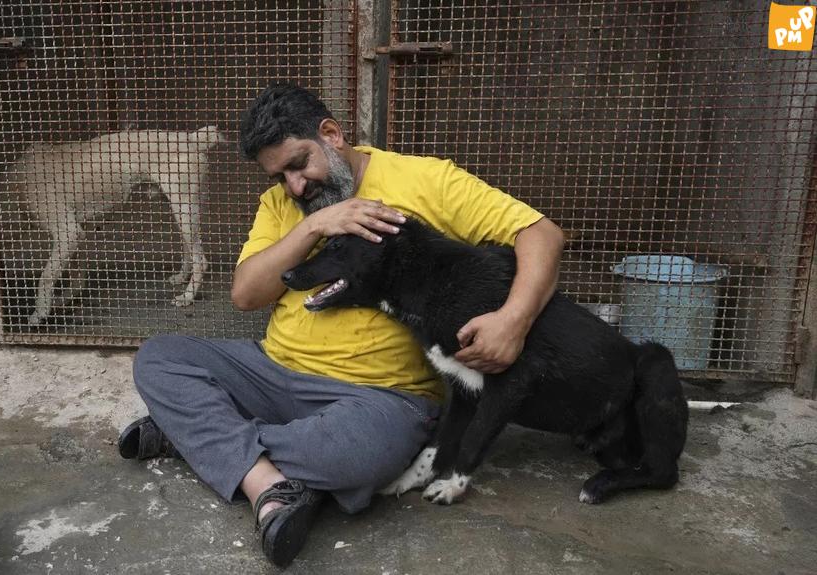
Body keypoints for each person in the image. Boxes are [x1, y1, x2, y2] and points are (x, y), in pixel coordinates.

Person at [119, 84, 564, 567]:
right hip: (273, 371)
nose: (294, 185)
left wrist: (513, 321)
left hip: (379, 398)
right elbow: (246, 294)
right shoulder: (282, 205)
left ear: (331, 133)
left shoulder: (426, 180)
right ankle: (265, 480)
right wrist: (314, 225)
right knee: (160, 359)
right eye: (279, 175)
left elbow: (540, 233)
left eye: (298, 163)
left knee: (354, 456)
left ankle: (199, 440)